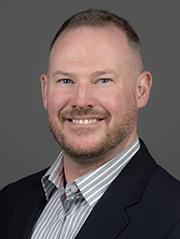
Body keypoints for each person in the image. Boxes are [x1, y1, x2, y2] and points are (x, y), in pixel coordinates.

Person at [1, 8, 180, 239]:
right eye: (66, 80)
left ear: (141, 90)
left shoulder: (173, 218)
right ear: (45, 91)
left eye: (103, 80)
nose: (81, 100)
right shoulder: (10, 203)